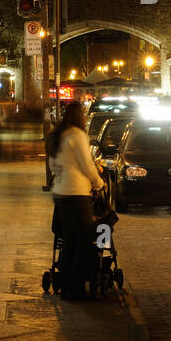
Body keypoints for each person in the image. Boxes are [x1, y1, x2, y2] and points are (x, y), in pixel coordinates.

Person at [47, 101, 106, 301]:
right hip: (77, 194)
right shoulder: (77, 135)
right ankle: (75, 285)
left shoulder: (57, 136)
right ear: (79, 116)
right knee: (86, 241)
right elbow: (87, 164)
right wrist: (99, 183)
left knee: (70, 241)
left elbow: (52, 165)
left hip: (61, 193)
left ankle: (64, 285)